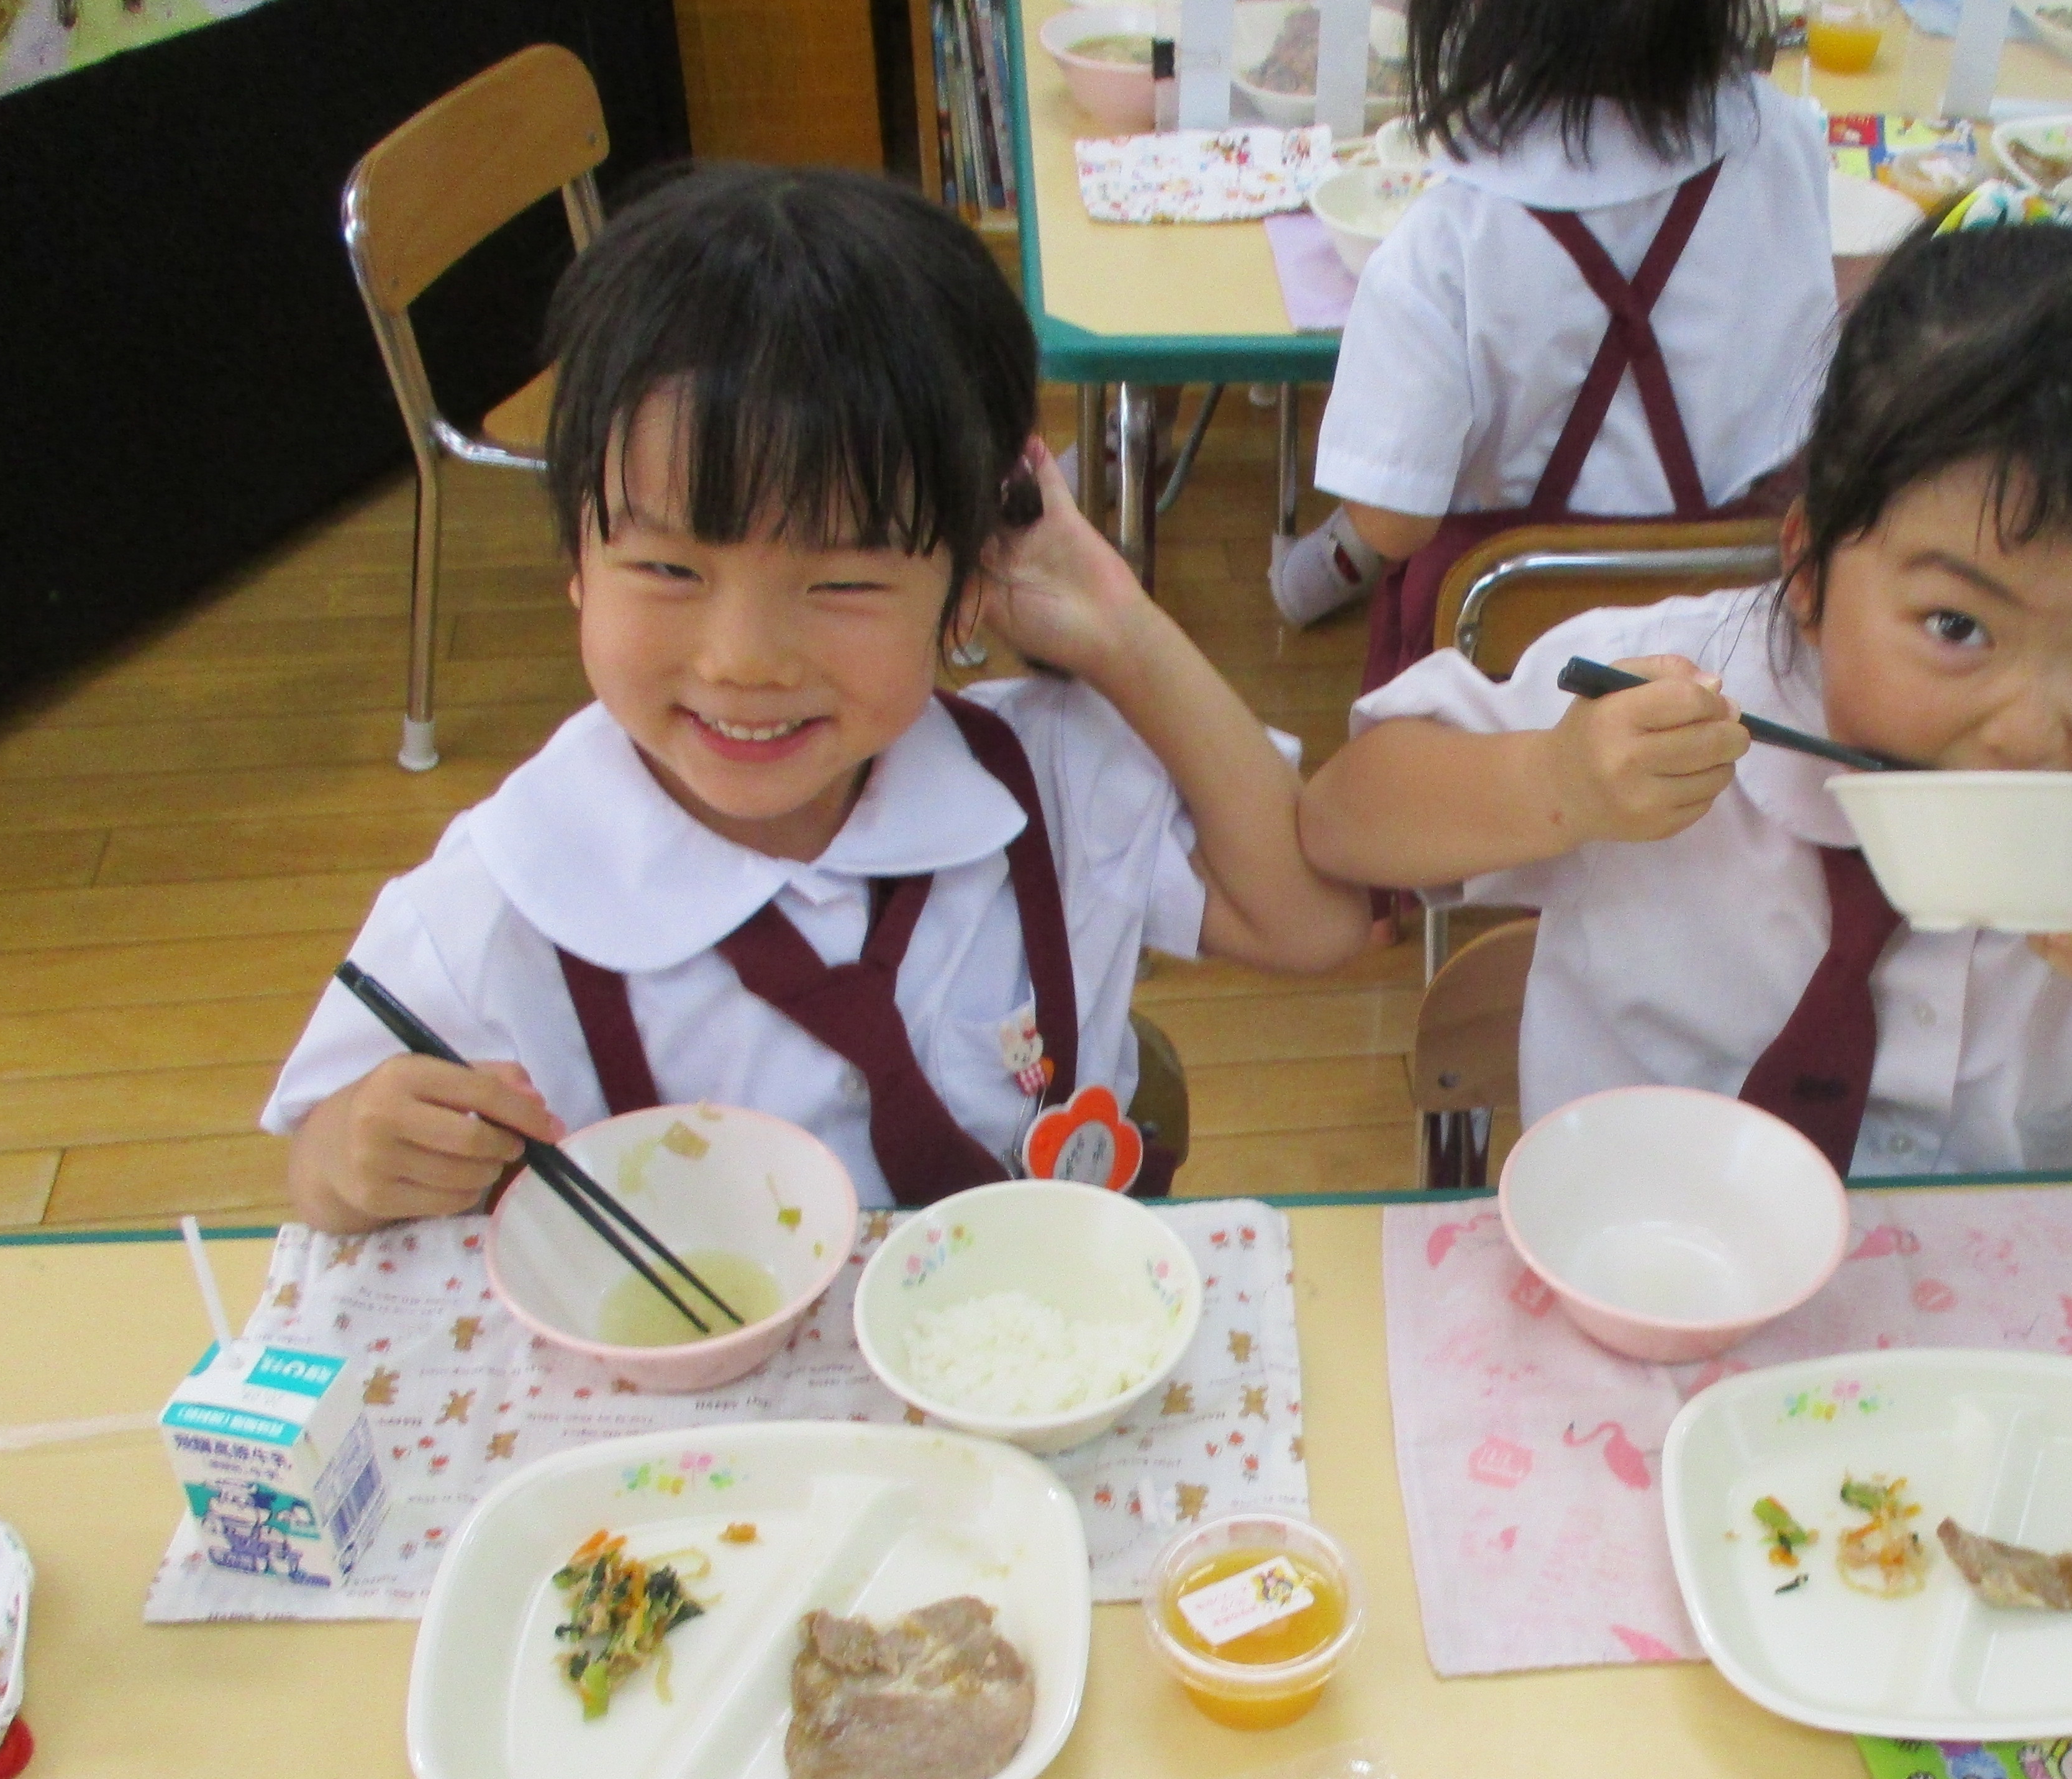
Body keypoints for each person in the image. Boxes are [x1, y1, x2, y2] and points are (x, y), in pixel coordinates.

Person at [270, 166, 1366, 1231]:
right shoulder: (500, 896)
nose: (744, 659)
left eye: (839, 583)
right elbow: (319, 1164)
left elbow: (1314, 923)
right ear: (575, 561)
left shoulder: (1047, 778)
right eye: (667, 570)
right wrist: (356, 1151)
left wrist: (1124, 630)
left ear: (963, 587)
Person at [1302, 222, 2072, 1174]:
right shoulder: (1666, 677)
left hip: (1979, 1302)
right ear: (1807, 573)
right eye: (1956, 626)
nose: (2029, 725)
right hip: (1640, 1244)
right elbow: (1341, 821)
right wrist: (1553, 778)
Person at [1265, 0, 1836, 691]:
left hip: (1509, 689)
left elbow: (1393, 523)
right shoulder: (1785, 142)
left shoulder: (1443, 243)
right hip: (1737, 656)